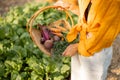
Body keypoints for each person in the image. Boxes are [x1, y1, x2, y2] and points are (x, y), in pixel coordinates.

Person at [54, 0, 120, 80]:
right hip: (83, 40)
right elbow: (89, 16)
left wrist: (77, 47)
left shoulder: (112, 2)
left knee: (92, 76)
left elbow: (103, 35)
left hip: (96, 48)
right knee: (77, 75)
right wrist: (72, 7)